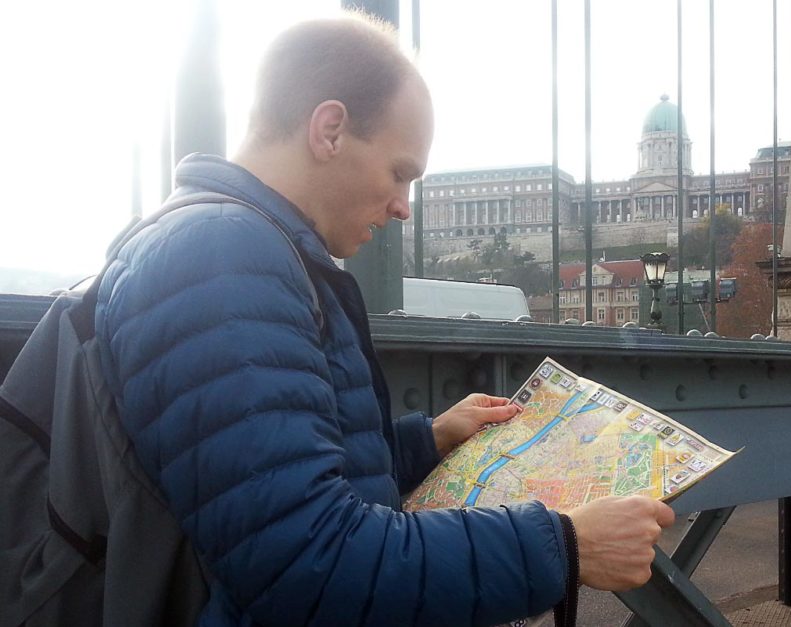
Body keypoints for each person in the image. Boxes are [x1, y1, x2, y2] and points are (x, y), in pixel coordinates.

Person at [94, 13, 675, 627]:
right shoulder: (221, 259)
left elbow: (267, 485)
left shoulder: (244, 248)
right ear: (330, 130)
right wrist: (563, 544)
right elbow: (308, 568)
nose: (403, 207)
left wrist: (424, 441)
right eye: (400, 172)